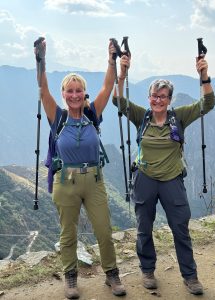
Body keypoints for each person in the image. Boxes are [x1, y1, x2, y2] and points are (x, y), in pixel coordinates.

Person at [113, 54, 215, 295]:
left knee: (180, 227)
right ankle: (147, 270)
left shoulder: (179, 117)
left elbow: (207, 104)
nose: (158, 100)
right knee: (143, 227)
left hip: (172, 180)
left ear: (169, 100)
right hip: (145, 178)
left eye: (163, 96)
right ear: (149, 98)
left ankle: (190, 276)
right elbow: (118, 100)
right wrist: (122, 73)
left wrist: (203, 75)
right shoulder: (142, 117)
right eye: (154, 96)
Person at [34, 38, 126, 299]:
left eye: (79, 91)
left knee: (104, 231)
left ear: (84, 93)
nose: (74, 95)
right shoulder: (57, 117)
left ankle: (112, 275)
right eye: (70, 91)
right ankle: (71, 279)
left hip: (94, 181)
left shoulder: (92, 114)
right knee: (68, 234)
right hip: (66, 182)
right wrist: (40, 61)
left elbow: (109, 86)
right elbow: (42, 91)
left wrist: (111, 60)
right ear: (64, 94)